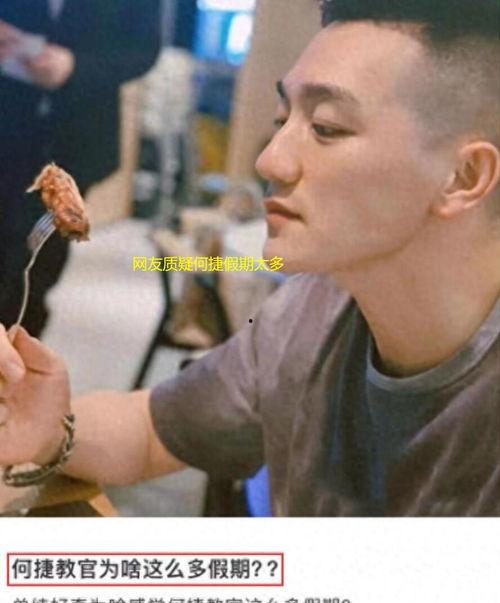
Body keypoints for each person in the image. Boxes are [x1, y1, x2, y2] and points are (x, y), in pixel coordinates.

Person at [0, 0, 499, 516]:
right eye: (283, 119)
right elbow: (151, 430)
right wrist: (46, 427)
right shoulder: (309, 309)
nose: (269, 160)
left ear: (463, 177)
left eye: (326, 127)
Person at [0, 0, 161, 336]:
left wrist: (75, 66)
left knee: (36, 268)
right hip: (9, 127)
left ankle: (19, 359)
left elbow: (144, 50)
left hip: (76, 143)